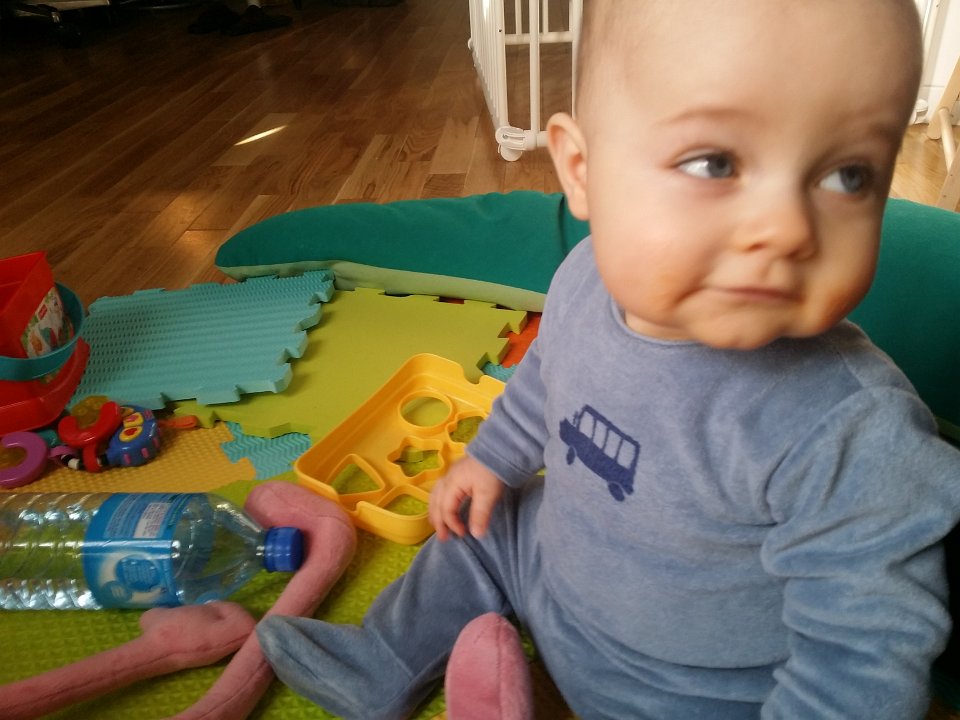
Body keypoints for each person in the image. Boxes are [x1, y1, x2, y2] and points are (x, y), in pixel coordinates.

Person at [257, 1, 960, 717]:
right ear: (583, 170)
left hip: (693, 689)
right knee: (477, 525)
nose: (786, 229)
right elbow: (545, 378)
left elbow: (863, 652)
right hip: (554, 574)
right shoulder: (584, 279)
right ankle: (381, 662)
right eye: (715, 163)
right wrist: (491, 460)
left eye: (848, 175)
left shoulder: (850, 428)